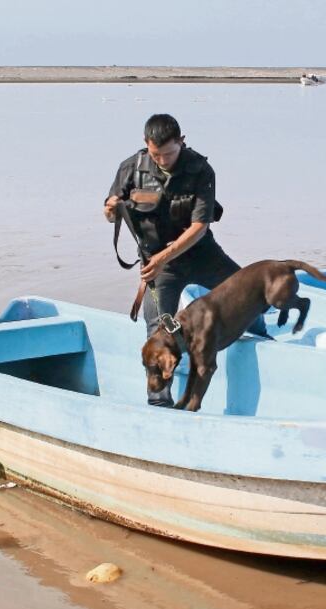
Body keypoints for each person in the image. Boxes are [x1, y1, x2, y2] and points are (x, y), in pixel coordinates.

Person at [104, 113, 264, 407]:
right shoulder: (131, 168)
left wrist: (165, 256)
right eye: (156, 154)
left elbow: (199, 226)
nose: (163, 160)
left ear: (181, 141)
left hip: (201, 254)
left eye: (169, 153)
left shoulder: (200, 169)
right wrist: (111, 210)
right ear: (145, 144)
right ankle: (159, 399)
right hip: (159, 267)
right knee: (156, 329)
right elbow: (111, 209)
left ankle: (267, 354)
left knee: (251, 295)